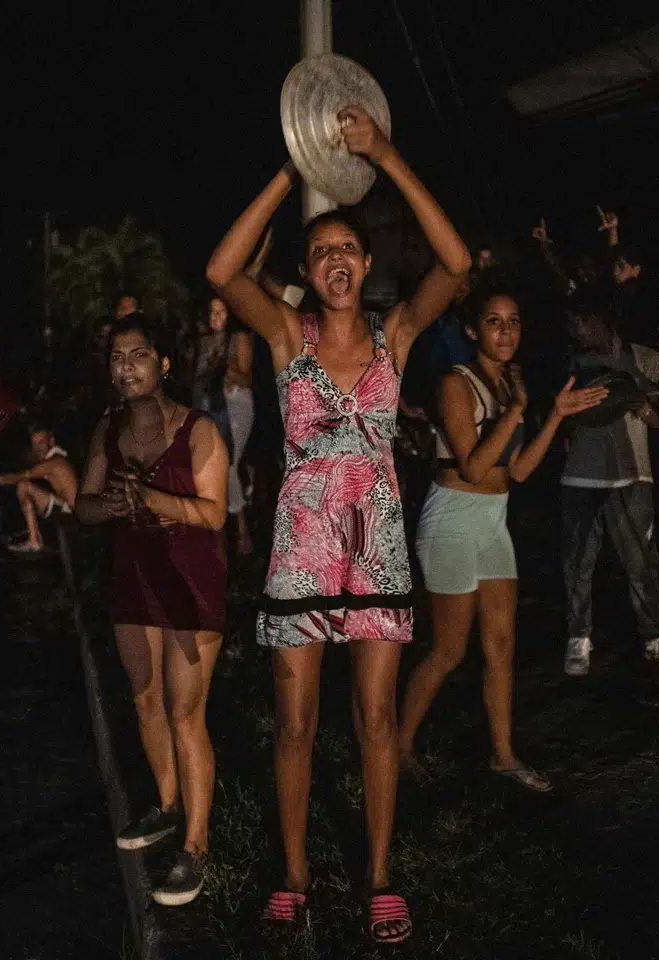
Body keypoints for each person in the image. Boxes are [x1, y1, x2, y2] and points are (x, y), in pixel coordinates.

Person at [206, 105, 471, 945]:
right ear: (308, 270)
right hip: (302, 552)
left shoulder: (397, 334)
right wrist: (294, 165)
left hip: (379, 551)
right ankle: (293, 875)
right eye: (321, 252)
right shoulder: (288, 337)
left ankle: (381, 874)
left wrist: (384, 154)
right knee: (293, 720)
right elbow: (220, 272)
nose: (337, 261)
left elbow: (456, 263)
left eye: (348, 248)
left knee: (378, 718)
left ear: (366, 261)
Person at [397, 280, 607, 791]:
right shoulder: (456, 382)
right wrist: (516, 410)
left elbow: (517, 471)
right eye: (494, 321)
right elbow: (471, 466)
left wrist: (553, 415)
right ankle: (396, 743)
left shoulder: (510, 385)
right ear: (473, 329)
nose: (506, 331)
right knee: (449, 649)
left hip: (494, 518)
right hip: (452, 516)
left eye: (513, 322)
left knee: (501, 644)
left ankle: (504, 755)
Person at [76, 313, 229, 907]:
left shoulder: (198, 429)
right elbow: (83, 506)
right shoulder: (107, 428)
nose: (126, 368)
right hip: (133, 575)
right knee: (145, 700)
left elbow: (214, 513)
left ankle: (197, 845)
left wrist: (155, 497)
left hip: (190, 580)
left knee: (186, 712)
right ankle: (167, 806)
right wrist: (113, 505)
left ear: (164, 364)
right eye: (117, 357)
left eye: (139, 355)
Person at [559, 294, 659, 677]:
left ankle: (654, 638)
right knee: (578, 563)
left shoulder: (646, 358)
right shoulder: (573, 363)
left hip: (632, 476)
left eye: (581, 322)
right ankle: (578, 639)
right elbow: (559, 423)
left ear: (601, 321)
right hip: (580, 476)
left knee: (640, 564)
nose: (575, 331)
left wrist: (638, 402)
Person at [191, 297, 256, 553]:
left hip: (236, 405)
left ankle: (241, 532)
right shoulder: (203, 342)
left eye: (221, 312)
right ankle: (218, 533)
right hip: (209, 407)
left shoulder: (238, 338)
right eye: (212, 312)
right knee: (212, 466)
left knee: (227, 463)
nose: (216, 317)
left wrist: (227, 373)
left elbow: (247, 377)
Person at [0, 424, 79, 553]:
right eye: (34, 444)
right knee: (27, 488)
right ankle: (31, 532)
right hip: (69, 508)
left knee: (23, 486)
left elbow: (24, 475)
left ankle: (34, 541)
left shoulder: (54, 462)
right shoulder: (57, 458)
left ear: (51, 441)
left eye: (41, 442)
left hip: (71, 512)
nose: (38, 448)